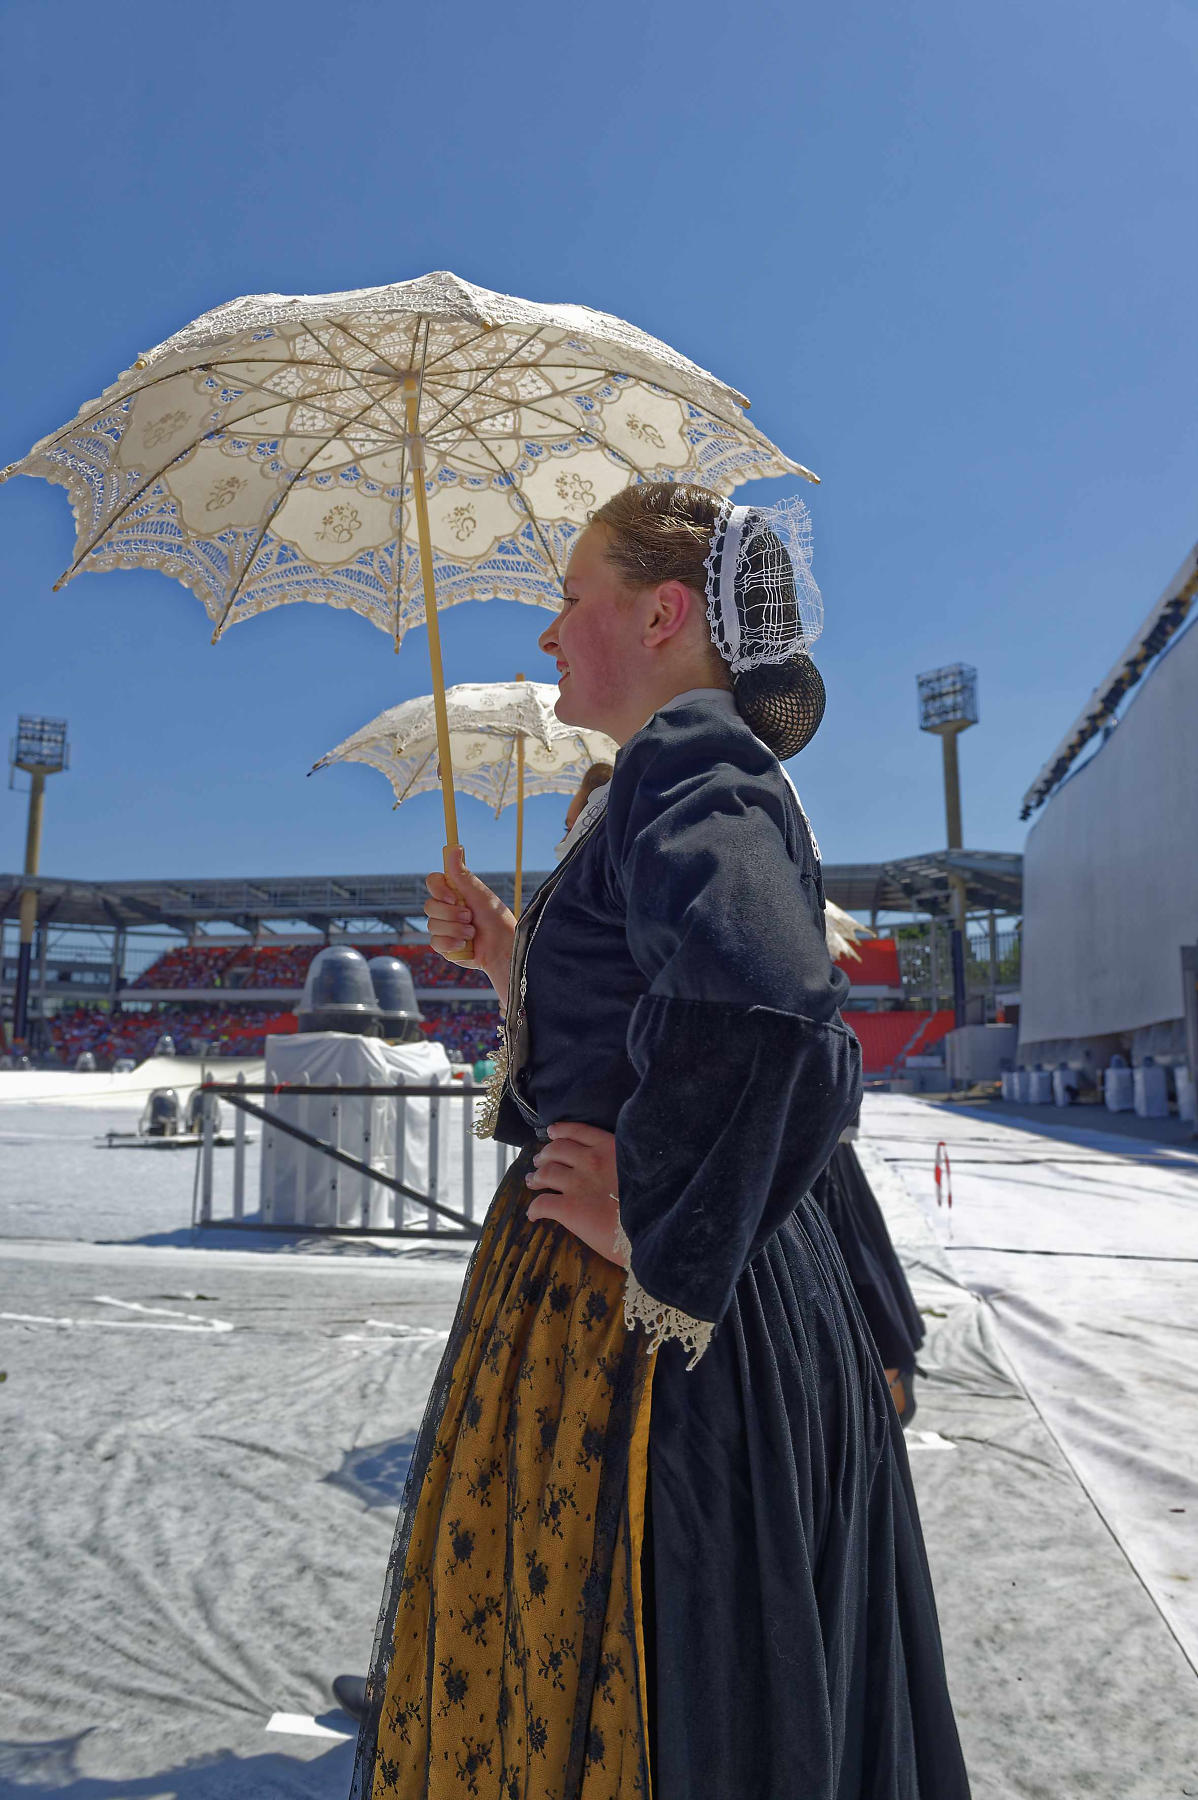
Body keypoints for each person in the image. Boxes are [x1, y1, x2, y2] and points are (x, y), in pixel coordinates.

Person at [350, 482, 970, 1799]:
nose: (548, 635)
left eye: (572, 600)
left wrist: (658, 1221)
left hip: (652, 1316)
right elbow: (652, 1012)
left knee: (647, 1661)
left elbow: (767, 1003)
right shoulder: (667, 768)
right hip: (647, 1284)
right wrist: (514, 957)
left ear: (663, 612)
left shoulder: (693, 755)